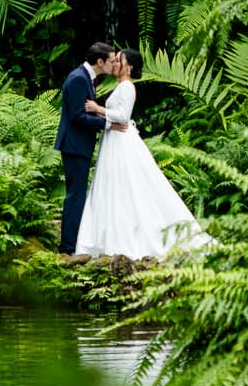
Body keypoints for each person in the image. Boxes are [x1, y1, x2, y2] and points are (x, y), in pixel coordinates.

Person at [77, 48, 208, 260]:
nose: (116, 63)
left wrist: (98, 109)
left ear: (129, 66)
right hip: (113, 140)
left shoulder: (128, 87)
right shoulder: (121, 86)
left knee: (127, 185)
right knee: (113, 186)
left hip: (122, 142)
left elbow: (123, 115)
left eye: (119, 60)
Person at [56, 41, 124, 255]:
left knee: (77, 194)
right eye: (112, 61)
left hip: (79, 145)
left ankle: (72, 243)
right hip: (74, 145)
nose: (114, 64)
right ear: (100, 61)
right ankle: (67, 248)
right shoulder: (78, 79)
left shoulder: (85, 77)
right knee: (75, 195)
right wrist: (108, 124)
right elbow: (77, 116)